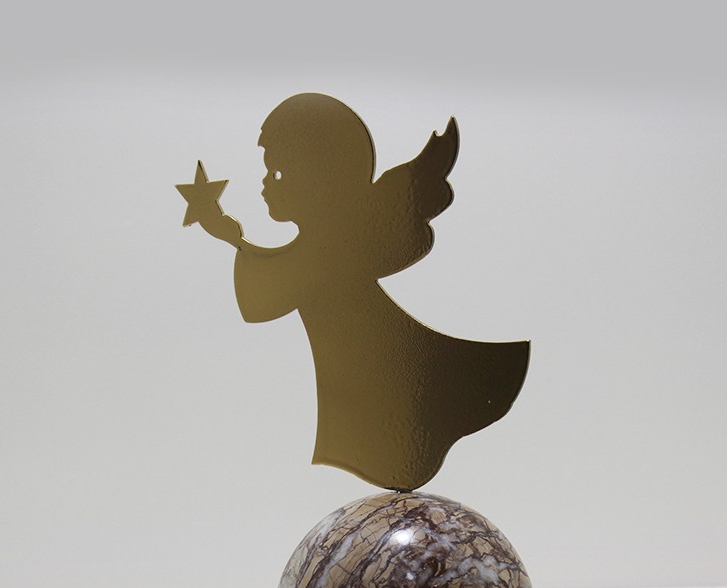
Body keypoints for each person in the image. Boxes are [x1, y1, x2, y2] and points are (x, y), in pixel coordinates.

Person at [177, 93, 529, 491]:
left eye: (276, 173)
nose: (264, 183)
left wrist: (233, 240)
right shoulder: (323, 248)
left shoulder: (324, 252)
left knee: (393, 421)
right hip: (358, 364)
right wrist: (232, 239)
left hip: (380, 360)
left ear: (317, 179)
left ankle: (402, 453)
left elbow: (261, 301)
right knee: (379, 422)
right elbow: (266, 290)